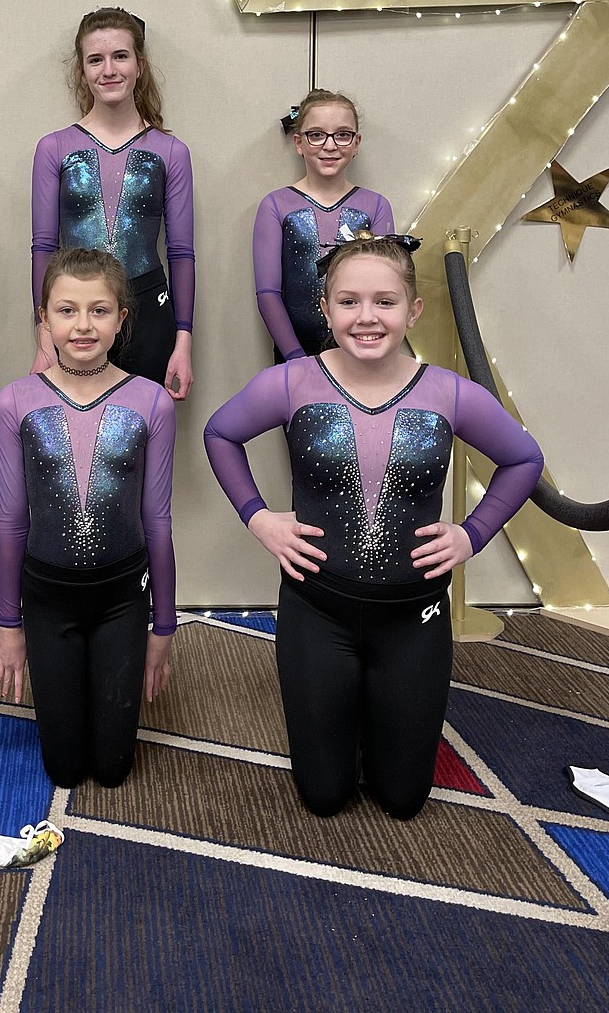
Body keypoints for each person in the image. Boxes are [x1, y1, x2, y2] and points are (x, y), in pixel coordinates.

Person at [204, 234, 543, 820]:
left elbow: (524, 459)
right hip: (318, 609)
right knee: (325, 796)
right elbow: (220, 433)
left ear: (413, 310)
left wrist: (473, 533)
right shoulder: (291, 383)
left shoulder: (450, 394)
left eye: (385, 302)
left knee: (403, 798)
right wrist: (258, 518)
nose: (366, 317)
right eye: (349, 301)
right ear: (325, 309)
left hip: (414, 616)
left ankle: (377, 712)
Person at [0, 247, 176, 788]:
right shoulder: (15, 402)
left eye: (99, 310)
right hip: (48, 597)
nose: (83, 325)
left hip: (121, 597)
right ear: (43, 319)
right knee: (64, 769)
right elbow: (12, 520)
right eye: (67, 310)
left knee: (114, 769)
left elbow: (157, 520)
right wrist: (8, 623)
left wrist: (163, 626)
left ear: (122, 318)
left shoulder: (150, 402)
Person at [30, 9, 194, 400]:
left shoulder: (170, 151)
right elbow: (43, 248)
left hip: (149, 312)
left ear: (140, 64)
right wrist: (43, 334)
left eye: (120, 56)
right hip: (75, 310)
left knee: (141, 434)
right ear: (82, 71)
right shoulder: (54, 148)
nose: (109, 70)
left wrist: (184, 342)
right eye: (95, 59)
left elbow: (182, 252)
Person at [253, 89, 392, 360]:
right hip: (293, 357)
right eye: (316, 135)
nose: (330, 146)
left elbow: (384, 288)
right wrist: (295, 358)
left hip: (361, 353)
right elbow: (268, 294)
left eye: (342, 134)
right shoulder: (275, 205)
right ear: (298, 143)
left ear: (356, 143)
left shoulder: (375, 206)